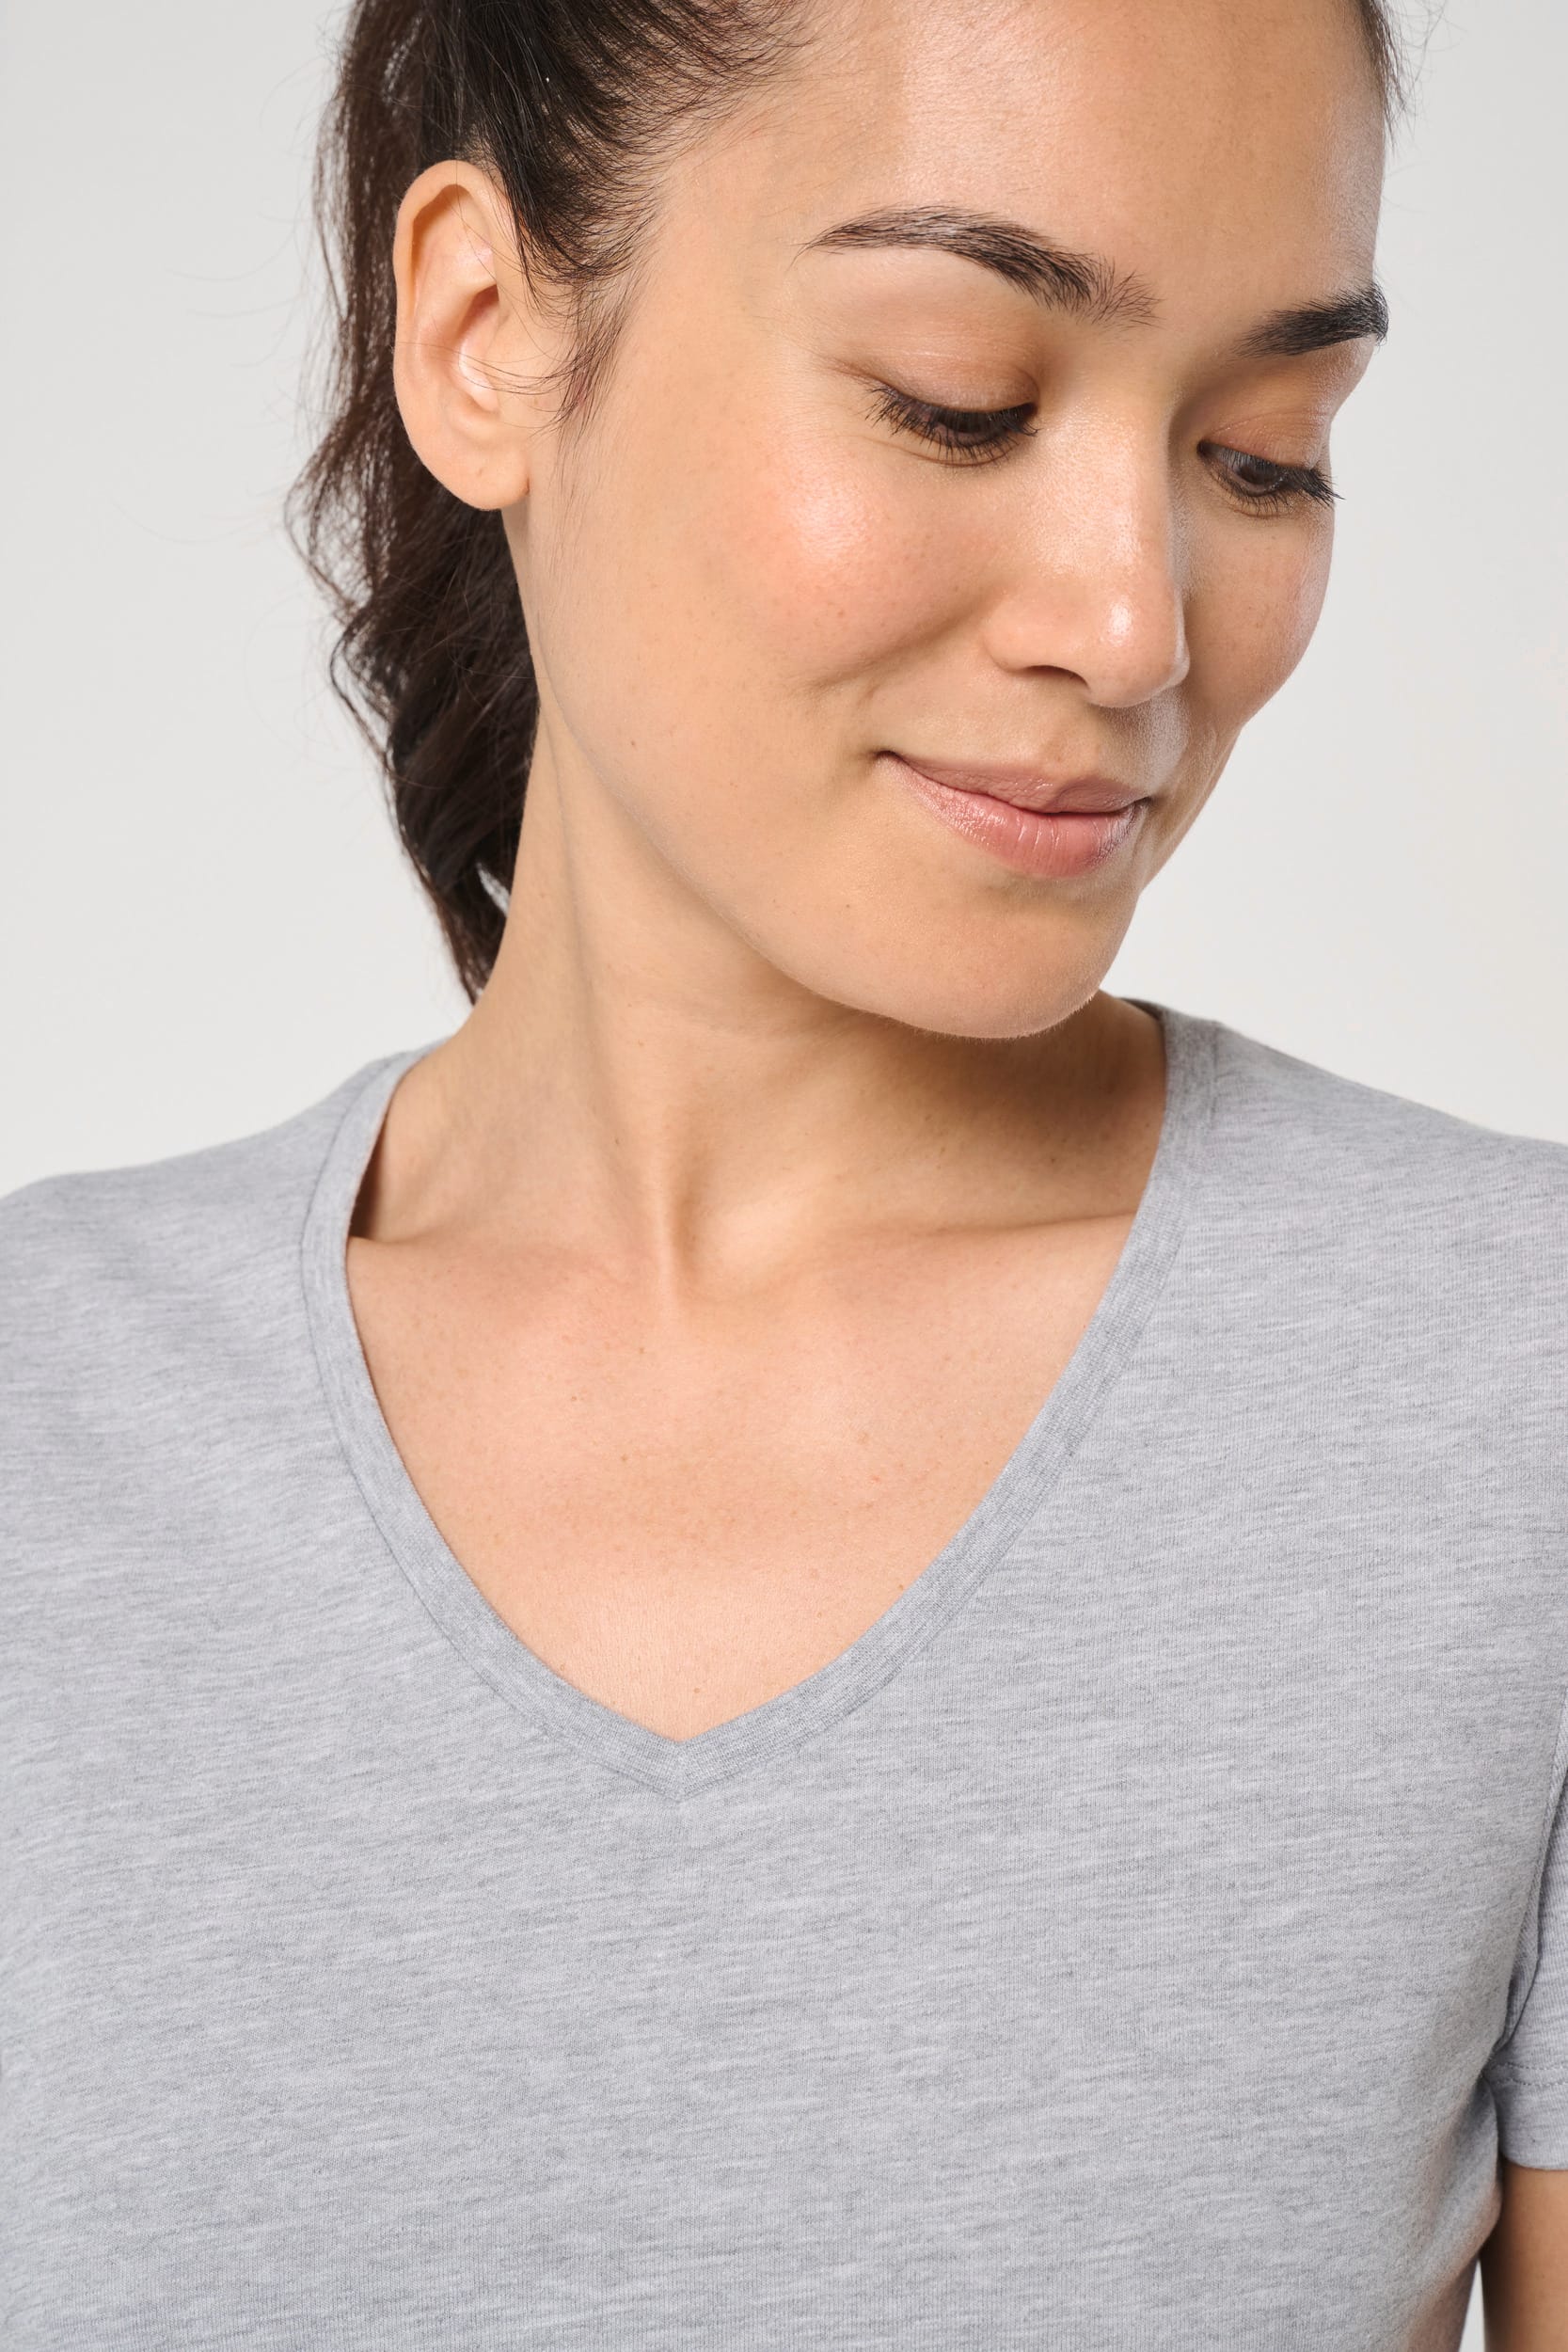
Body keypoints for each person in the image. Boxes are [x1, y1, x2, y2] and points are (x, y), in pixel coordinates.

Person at [2, 0, 1564, 2343]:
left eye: (1262, 452)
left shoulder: (1511, 1405)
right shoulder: (45, 1431)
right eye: (960, 396)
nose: (1133, 622)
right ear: (487, 333)